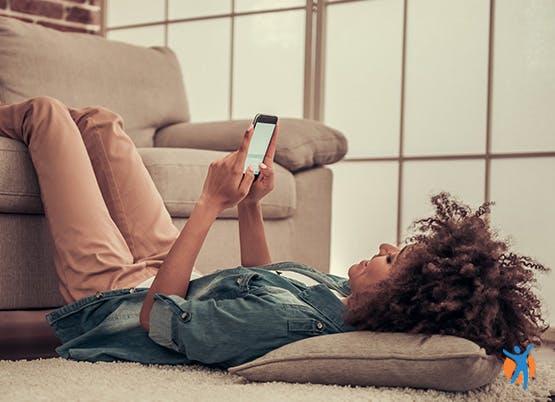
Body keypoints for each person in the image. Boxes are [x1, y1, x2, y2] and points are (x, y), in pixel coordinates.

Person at [0, 96, 549, 369]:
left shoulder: (293, 323)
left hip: (114, 300)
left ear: (399, 298)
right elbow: (260, 276)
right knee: (100, 121)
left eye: (393, 258)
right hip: (171, 274)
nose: (384, 246)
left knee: (47, 114)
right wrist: (251, 206)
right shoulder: (339, 299)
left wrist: (212, 202)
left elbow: (158, 319)